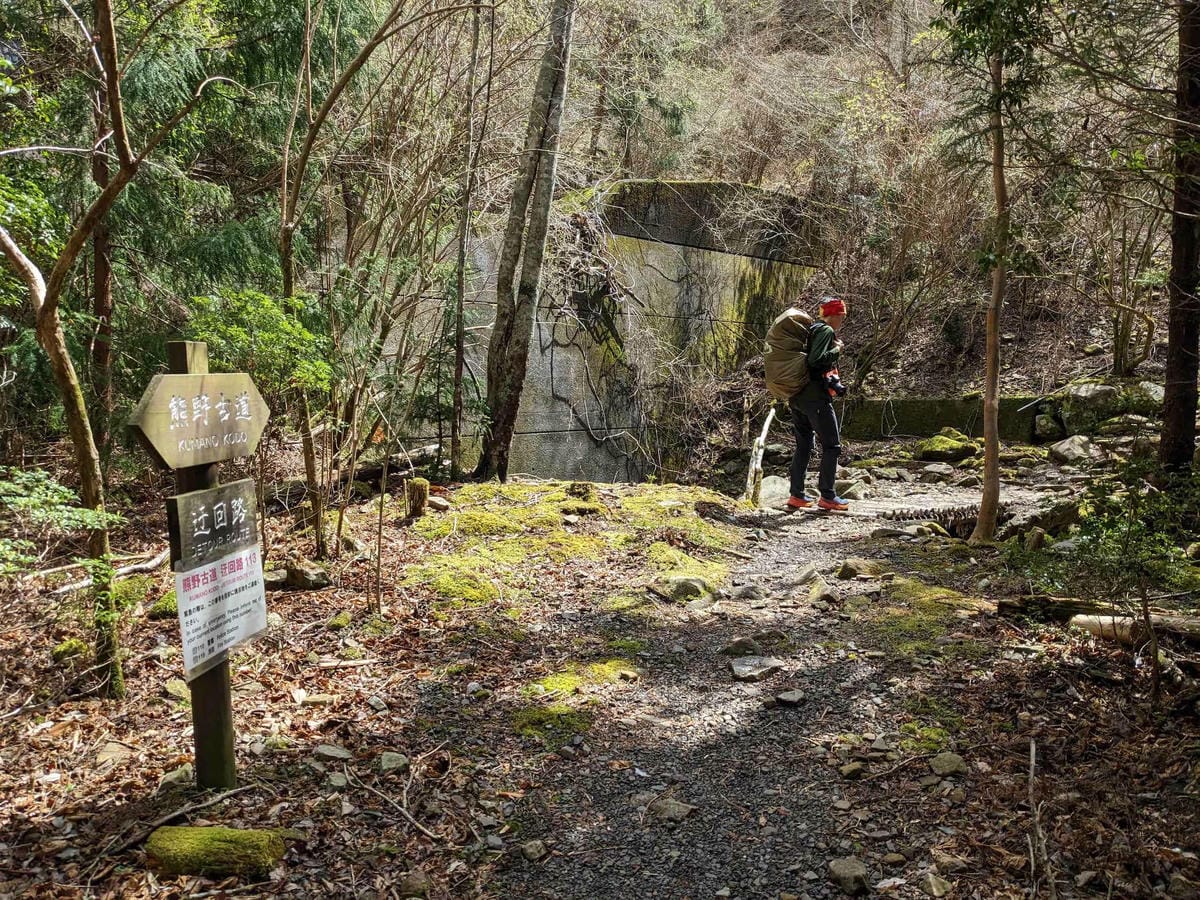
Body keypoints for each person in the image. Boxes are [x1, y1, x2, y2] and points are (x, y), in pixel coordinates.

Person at [787, 296, 848, 511]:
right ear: (834, 315)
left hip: (797, 396)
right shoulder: (825, 331)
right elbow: (816, 361)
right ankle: (828, 496)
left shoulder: (811, 330)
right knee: (832, 445)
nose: (842, 321)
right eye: (841, 316)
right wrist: (837, 350)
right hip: (815, 397)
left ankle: (796, 496)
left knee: (803, 446)